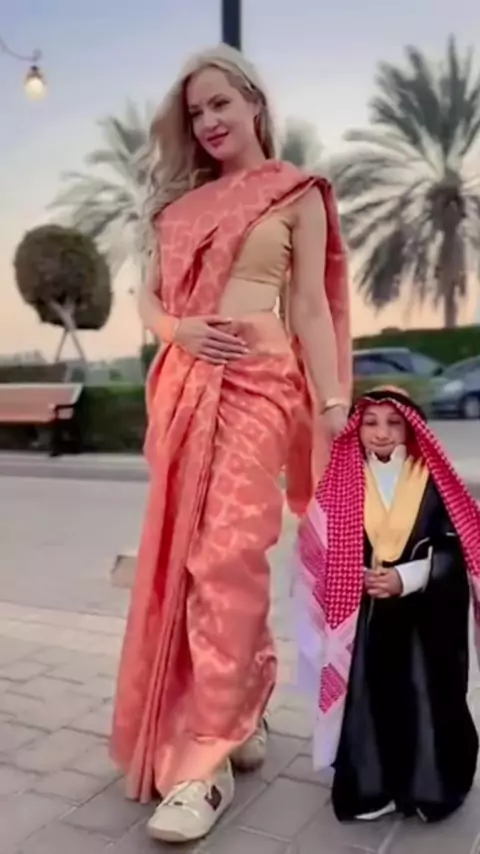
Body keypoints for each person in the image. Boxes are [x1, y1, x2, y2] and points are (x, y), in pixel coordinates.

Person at [110, 44, 351, 844]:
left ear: (253, 103)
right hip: (186, 385)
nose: (209, 121)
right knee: (188, 562)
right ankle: (239, 708)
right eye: (196, 113)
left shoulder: (296, 193)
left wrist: (332, 403)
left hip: (261, 384)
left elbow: (310, 308)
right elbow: (147, 298)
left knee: (229, 557)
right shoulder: (179, 210)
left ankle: (201, 764)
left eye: (220, 103)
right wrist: (177, 329)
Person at [293, 385, 480, 824]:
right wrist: (350, 575)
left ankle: (430, 789)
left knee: (427, 701)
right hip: (367, 618)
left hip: (425, 621)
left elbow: (458, 550)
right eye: (371, 422)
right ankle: (372, 790)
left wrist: (407, 577)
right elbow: (319, 543)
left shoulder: (433, 482)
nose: (381, 433)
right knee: (370, 703)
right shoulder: (344, 481)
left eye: (394, 423)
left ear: (411, 429)